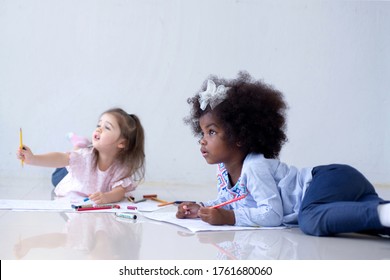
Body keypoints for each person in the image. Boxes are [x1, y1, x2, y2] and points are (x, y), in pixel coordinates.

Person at [176, 71, 390, 237]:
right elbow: (228, 200)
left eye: (212, 132)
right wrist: (201, 208)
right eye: (202, 132)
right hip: (336, 191)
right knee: (369, 224)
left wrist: (230, 218)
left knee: (310, 219)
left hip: (328, 180)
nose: (202, 140)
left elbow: (273, 214)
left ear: (239, 136)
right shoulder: (223, 171)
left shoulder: (254, 166)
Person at [17, 108, 145, 204]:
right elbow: (61, 158)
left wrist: (107, 197)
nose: (99, 129)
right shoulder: (85, 157)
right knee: (56, 178)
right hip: (74, 176)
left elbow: (120, 191)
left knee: (76, 157)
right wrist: (33, 158)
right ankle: (78, 146)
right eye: (98, 125)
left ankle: (80, 144)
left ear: (121, 143)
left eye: (107, 127)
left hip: (87, 178)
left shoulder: (121, 167)